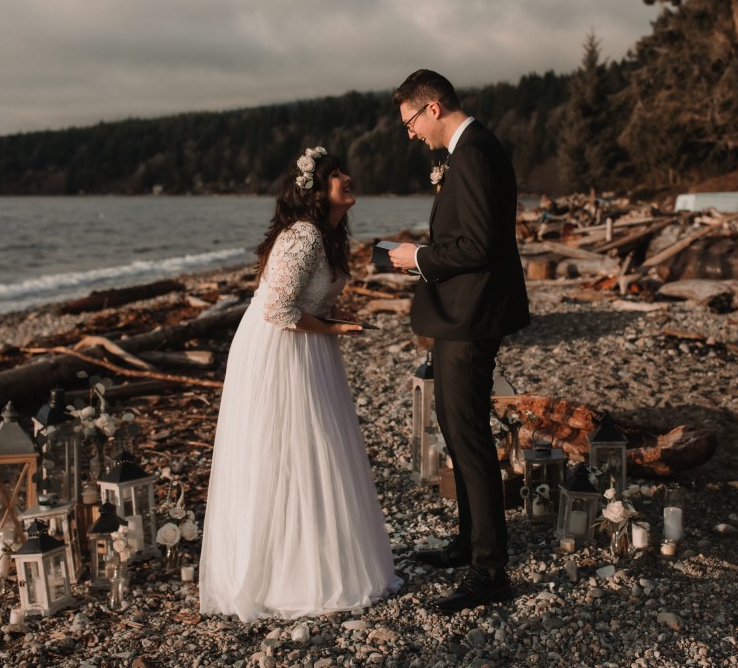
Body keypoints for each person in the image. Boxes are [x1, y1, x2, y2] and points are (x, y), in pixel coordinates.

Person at [198, 146, 402, 622]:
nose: (346, 178)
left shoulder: (329, 235)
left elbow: (305, 299)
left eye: (343, 171)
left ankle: (319, 566)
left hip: (307, 347)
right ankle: (284, 576)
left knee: (317, 450)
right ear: (314, 191)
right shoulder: (305, 236)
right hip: (278, 350)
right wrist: (331, 329)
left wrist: (333, 316)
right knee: (290, 450)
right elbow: (276, 310)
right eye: (334, 176)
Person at [388, 69, 530, 612]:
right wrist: (420, 255)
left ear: (433, 107)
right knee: (454, 424)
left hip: (471, 317)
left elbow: (479, 246)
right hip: (462, 313)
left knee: (467, 436)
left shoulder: (473, 153)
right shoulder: (472, 149)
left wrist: (417, 258)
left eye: (410, 122)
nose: (410, 134)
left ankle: (491, 571)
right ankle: (469, 543)